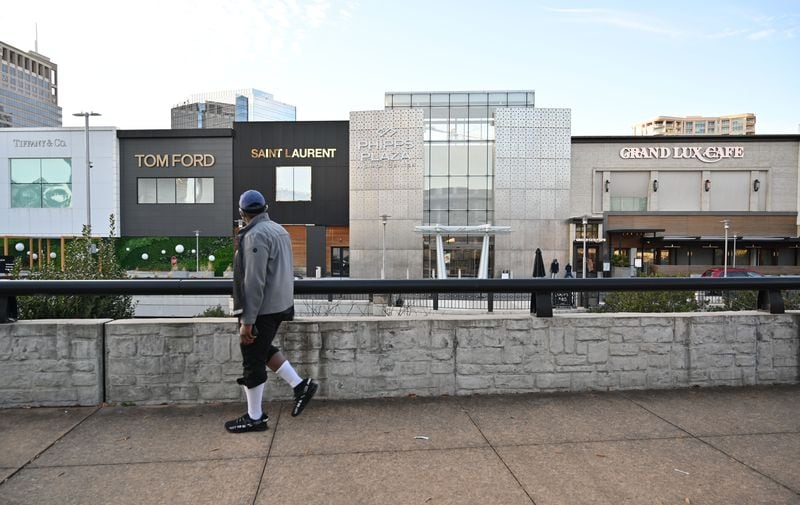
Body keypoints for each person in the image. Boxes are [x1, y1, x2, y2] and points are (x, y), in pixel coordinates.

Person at [226, 189, 318, 433]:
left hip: (263, 309)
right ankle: (300, 386)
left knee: (252, 359)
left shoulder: (255, 236)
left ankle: (255, 417)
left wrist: (247, 320)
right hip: (280, 304)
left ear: (242, 213)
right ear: (265, 208)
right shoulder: (280, 230)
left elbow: (254, 282)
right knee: (264, 349)